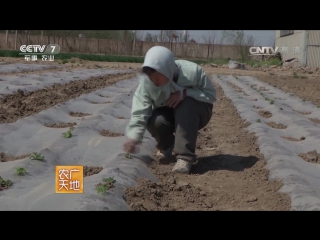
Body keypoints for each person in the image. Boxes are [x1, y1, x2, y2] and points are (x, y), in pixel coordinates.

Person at [123, 46, 216, 174]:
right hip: (171, 112)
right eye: (151, 78)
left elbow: (210, 95)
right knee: (155, 120)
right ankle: (167, 146)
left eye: (157, 77)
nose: (154, 82)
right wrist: (133, 138)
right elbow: (140, 112)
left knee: (186, 105)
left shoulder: (192, 72)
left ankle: (185, 157)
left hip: (199, 111)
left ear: (167, 70)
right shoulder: (147, 84)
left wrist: (185, 93)